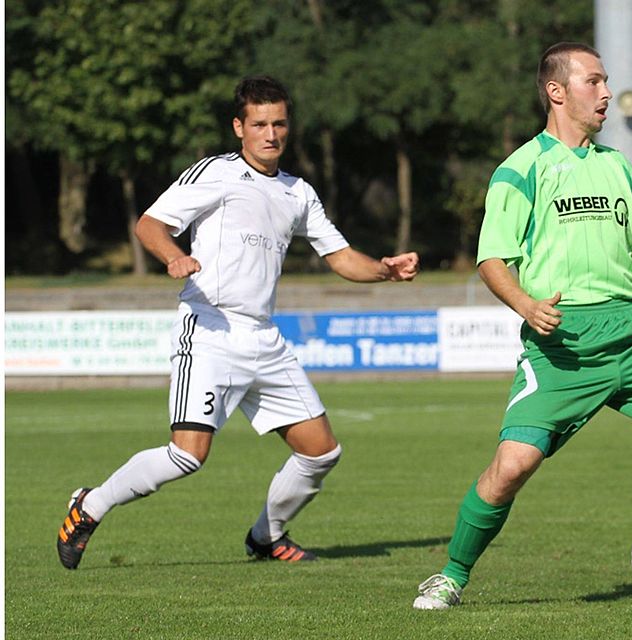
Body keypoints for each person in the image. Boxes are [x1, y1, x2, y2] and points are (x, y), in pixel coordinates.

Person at [412, 42, 632, 609]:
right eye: (593, 82)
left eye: (604, 81)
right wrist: (525, 305)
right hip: (563, 344)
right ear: (556, 91)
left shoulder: (617, 165)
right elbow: (492, 260)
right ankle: (451, 575)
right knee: (511, 467)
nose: (604, 94)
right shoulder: (521, 168)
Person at [56, 75, 419, 570]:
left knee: (321, 453)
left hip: (264, 337)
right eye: (260, 124)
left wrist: (383, 270)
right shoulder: (215, 173)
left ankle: (267, 536)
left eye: (280, 124)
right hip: (210, 330)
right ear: (239, 127)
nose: (271, 134)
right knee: (188, 455)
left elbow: (339, 257)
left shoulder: (298, 192)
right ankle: (89, 506)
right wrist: (173, 257)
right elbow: (149, 224)